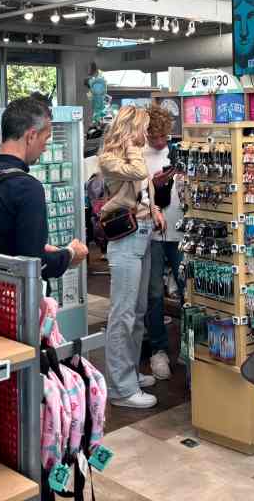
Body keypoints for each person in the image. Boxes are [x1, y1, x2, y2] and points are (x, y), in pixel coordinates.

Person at [0, 98, 87, 279]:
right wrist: (70, 254)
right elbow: (35, 264)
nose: (45, 148)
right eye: (45, 139)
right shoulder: (27, 188)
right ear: (31, 136)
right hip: (12, 290)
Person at [99, 106, 163, 409]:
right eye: (143, 128)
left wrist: (154, 210)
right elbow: (138, 172)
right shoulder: (110, 157)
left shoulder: (130, 154)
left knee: (137, 312)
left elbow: (143, 189)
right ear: (130, 128)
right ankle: (120, 389)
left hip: (143, 233)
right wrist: (131, 145)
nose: (146, 134)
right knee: (122, 315)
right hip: (126, 239)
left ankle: (129, 373)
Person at [142, 105, 184, 381]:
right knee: (154, 292)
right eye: (156, 136)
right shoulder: (139, 156)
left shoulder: (177, 152)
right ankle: (158, 349)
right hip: (152, 233)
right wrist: (152, 188)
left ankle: (189, 346)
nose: (161, 141)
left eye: (164, 136)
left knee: (187, 290)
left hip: (179, 230)